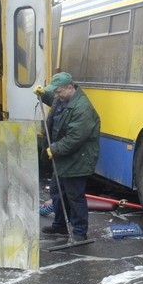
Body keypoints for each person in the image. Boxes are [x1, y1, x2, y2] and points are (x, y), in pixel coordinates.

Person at [34, 72, 100, 241]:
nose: (56, 95)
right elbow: (54, 101)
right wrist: (44, 94)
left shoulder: (82, 108)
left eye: (58, 92)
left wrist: (54, 149)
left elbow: (75, 138)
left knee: (74, 196)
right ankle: (60, 225)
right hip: (63, 158)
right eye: (54, 92)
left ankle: (79, 232)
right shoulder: (63, 98)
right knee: (57, 192)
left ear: (70, 87)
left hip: (77, 158)